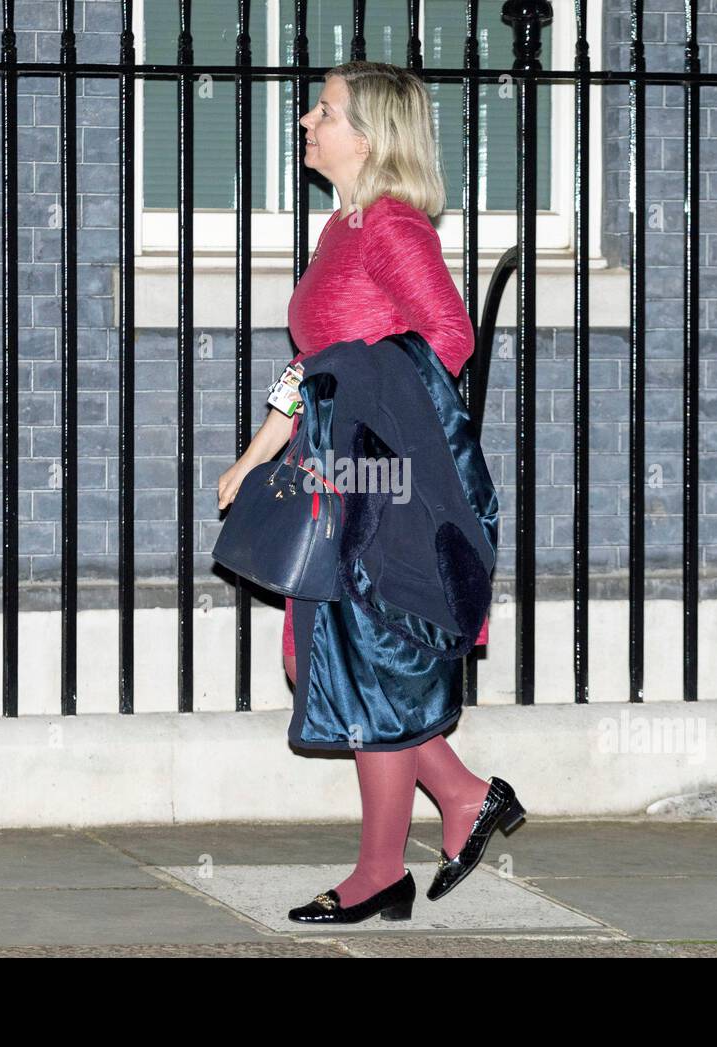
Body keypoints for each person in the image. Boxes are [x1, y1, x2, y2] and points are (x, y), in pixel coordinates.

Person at [216, 60, 523, 923]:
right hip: (334, 471)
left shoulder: (392, 227)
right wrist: (255, 453)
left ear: (371, 135)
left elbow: (449, 340)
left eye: (327, 109)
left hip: (381, 482)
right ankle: (463, 795)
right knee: (321, 659)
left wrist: (356, 407)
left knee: (369, 669)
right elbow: (312, 367)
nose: (308, 120)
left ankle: (379, 869)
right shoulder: (340, 231)